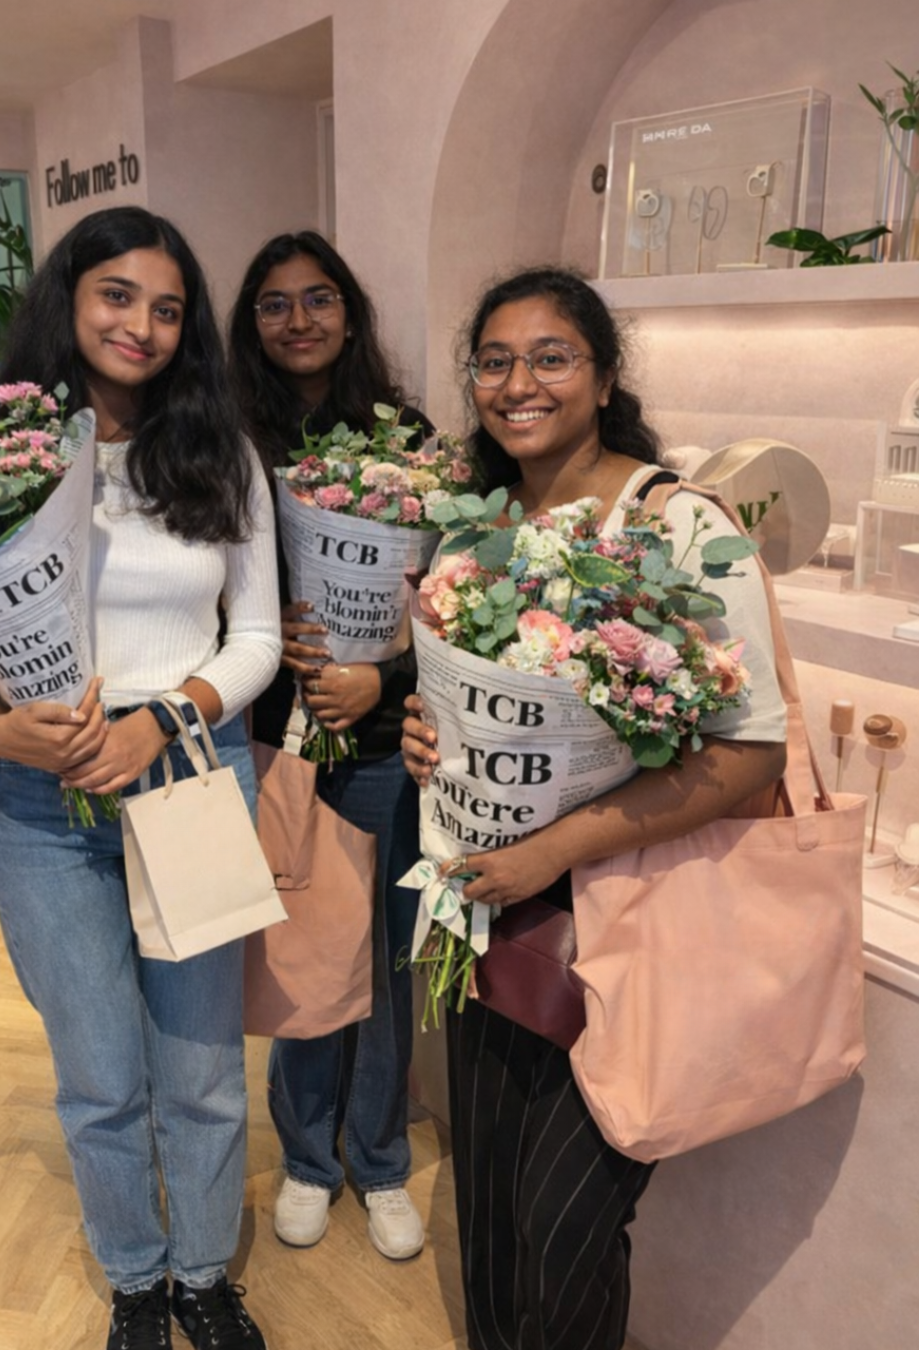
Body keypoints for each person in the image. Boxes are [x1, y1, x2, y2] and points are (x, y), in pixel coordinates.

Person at [401, 267, 788, 1350]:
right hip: (485, 916)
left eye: (551, 356)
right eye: (494, 360)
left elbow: (753, 751)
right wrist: (427, 742)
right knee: (488, 1213)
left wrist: (556, 849)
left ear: (605, 375)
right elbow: (458, 711)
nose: (518, 382)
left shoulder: (678, 525)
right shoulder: (472, 534)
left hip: (628, 931)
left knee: (566, 1231)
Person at [0, 207, 280, 1350]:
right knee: (98, 1071)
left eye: (168, 308)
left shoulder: (220, 454)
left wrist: (163, 721)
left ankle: (203, 1277)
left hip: (185, 775)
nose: (142, 325)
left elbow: (257, 640)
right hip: (39, 802)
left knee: (202, 1069)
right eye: (119, 296)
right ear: (69, 300)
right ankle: (135, 1276)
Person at [227, 231, 427, 1260]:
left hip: (387, 744)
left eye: (318, 299)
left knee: (385, 961)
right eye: (274, 303)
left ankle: (381, 1160)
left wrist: (378, 676)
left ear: (349, 312)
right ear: (249, 321)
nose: (297, 320)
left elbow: (446, 608)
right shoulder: (220, 436)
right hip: (274, 744)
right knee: (305, 953)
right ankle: (308, 1158)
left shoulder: (409, 438)